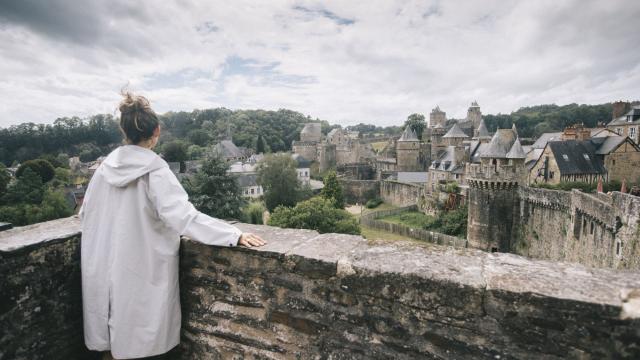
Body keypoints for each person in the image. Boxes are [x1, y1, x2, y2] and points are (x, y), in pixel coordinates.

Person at [79, 92, 266, 360]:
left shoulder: (102, 171)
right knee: (140, 344)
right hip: (141, 272)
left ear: (125, 131)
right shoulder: (155, 171)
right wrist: (233, 234)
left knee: (113, 343)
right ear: (156, 131)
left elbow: (85, 215)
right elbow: (185, 217)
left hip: (103, 271)